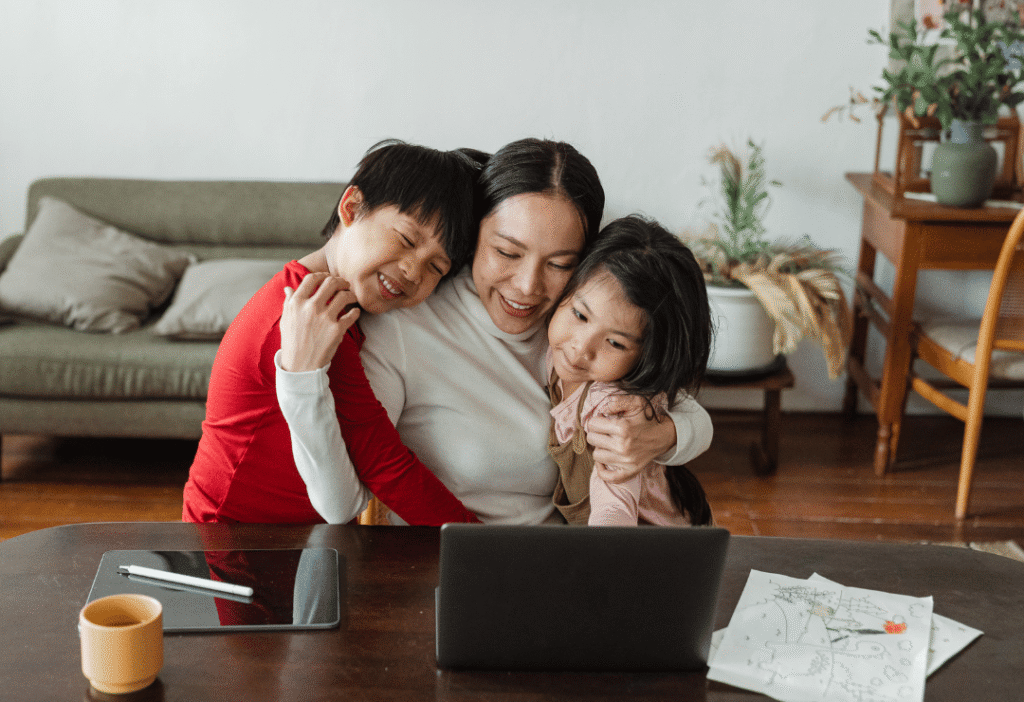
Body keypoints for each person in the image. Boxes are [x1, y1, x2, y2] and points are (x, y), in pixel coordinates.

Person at [276, 138, 714, 524]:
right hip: (451, 574)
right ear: (473, 236)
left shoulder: (575, 326)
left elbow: (687, 409)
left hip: (565, 566)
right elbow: (342, 501)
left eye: (560, 264)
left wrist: (663, 435)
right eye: (507, 252)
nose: (527, 287)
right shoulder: (404, 327)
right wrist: (299, 380)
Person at [181, 139, 482, 525]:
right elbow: (383, 468)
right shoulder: (310, 318)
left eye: (436, 268)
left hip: (281, 540)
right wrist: (484, 549)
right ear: (352, 206)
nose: (412, 270)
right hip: (231, 544)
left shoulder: (336, 303)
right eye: (406, 240)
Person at [545, 215, 714, 526]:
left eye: (615, 343)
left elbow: (614, 510)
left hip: (656, 552)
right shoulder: (554, 358)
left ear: (648, 356)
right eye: (580, 315)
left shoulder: (613, 407)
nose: (581, 347)